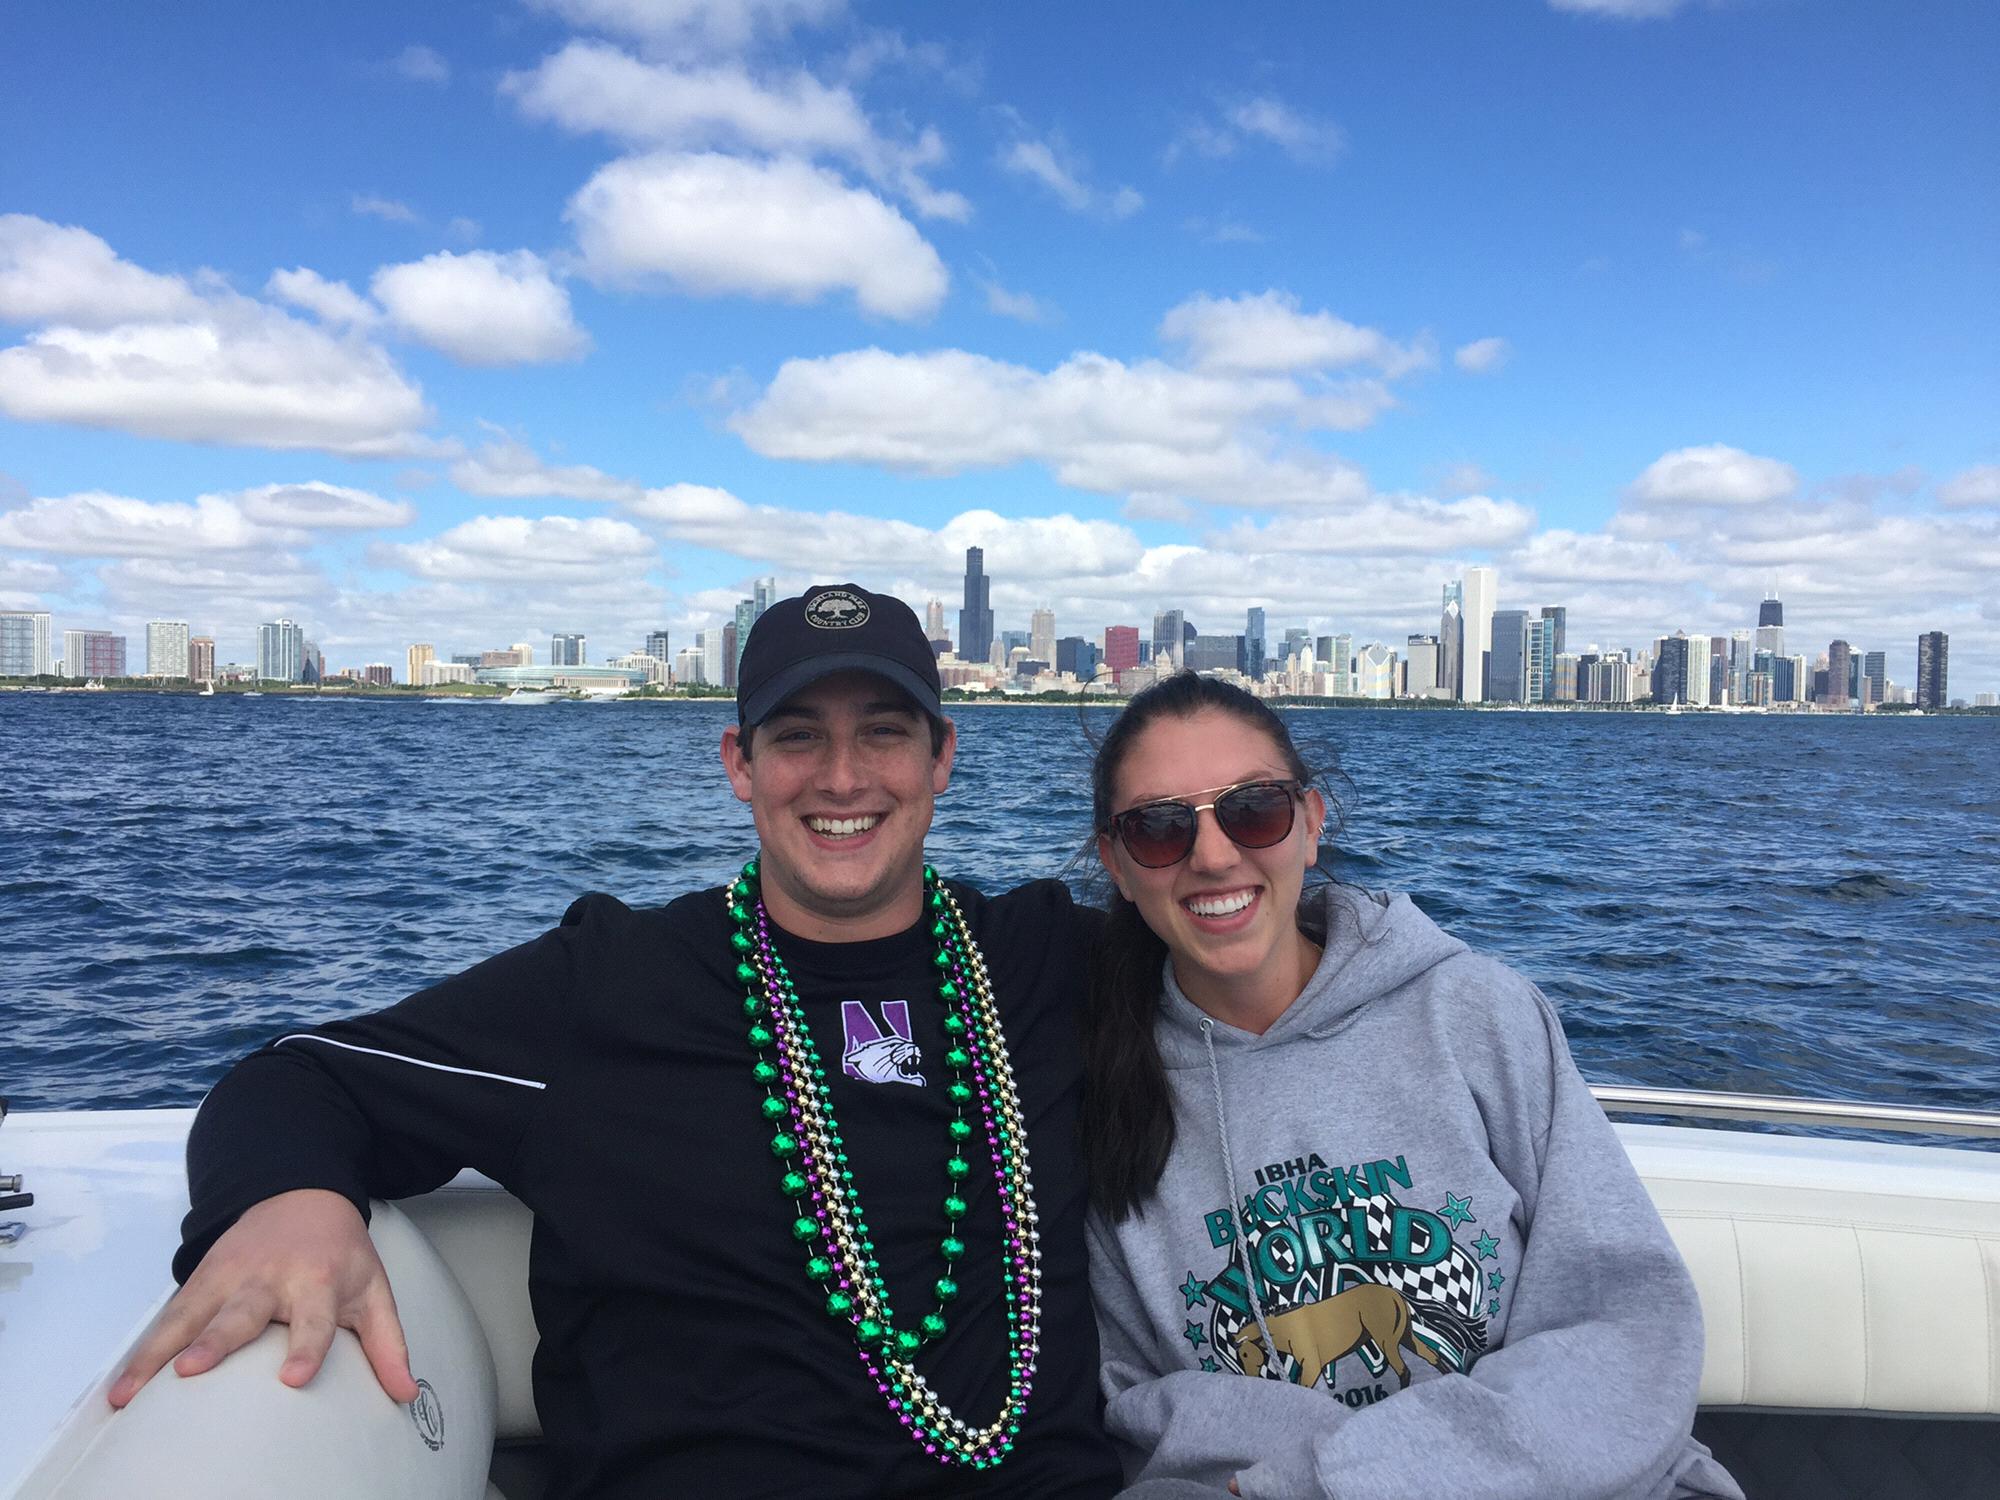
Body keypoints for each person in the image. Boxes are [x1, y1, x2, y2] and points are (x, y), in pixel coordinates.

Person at [112, 584, 1123, 1499]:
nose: (843, 777)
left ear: (941, 756)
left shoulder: (1041, 961)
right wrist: (290, 1204)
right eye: (798, 737)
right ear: (740, 763)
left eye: (885, 734)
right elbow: (296, 1083)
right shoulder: (611, 984)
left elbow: (1256, 949)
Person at [1080, 673, 1742, 1500]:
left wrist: (1346, 1480)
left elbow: (1625, 1333)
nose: (1214, 855)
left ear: (1311, 824)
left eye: (1254, 810)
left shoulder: (1478, 1012)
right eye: (1159, 829)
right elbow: (1144, 1411)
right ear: (1117, 861)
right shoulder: (1099, 1083)